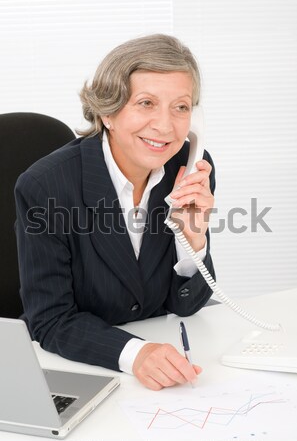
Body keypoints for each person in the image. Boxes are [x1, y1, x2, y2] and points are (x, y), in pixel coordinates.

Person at [14, 34, 215, 391]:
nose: (166, 126)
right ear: (108, 110)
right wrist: (135, 354)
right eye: (147, 103)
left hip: (164, 369)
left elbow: (185, 307)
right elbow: (50, 319)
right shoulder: (46, 187)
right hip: (80, 370)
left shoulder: (188, 168)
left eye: (180, 107)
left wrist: (192, 240)